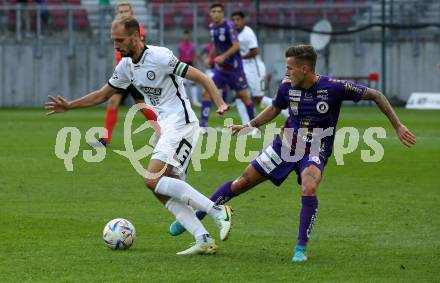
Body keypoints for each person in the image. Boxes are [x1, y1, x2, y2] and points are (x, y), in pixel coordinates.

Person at [169, 44, 417, 262]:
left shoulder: (334, 88)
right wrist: (250, 125)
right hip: (285, 145)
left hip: (316, 148)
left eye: (290, 67)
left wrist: (397, 125)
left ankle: (300, 248)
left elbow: (376, 94)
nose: (285, 72)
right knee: (241, 183)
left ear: (305, 70)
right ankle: (195, 216)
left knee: (309, 187)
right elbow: (275, 109)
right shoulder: (287, 87)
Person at [45, 16, 233, 255]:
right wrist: (70, 105)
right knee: (161, 190)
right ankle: (202, 238)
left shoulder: (160, 56)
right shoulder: (126, 66)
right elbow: (102, 94)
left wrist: (219, 103)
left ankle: (217, 211)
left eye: (120, 40)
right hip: (168, 127)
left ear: (135, 35)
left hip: (182, 124)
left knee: (151, 179)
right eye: (114, 40)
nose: (116, 45)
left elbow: (202, 77)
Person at [92, 2, 159, 147]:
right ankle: (106, 140)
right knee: (113, 102)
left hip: (134, 73)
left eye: (126, 11)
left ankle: (163, 132)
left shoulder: (137, 30)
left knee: (141, 105)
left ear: (131, 12)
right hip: (123, 74)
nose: (123, 13)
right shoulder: (118, 29)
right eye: (120, 11)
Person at [200, 2, 254, 131]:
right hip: (220, 70)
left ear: (223, 13)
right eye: (213, 11)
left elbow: (236, 45)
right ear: (210, 14)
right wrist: (209, 57)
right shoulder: (212, 27)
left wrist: (223, 56)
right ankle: (203, 127)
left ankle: (254, 125)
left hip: (234, 69)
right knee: (206, 92)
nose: (216, 14)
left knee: (244, 96)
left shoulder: (229, 26)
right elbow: (215, 45)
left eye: (219, 11)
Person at [231, 11, 289, 120]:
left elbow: (254, 51)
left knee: (258, 98)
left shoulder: (248, 33)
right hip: (242, 68)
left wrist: (240, 58)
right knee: (240, 95)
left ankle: (286, 111)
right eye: (233, 20)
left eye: (238, 19)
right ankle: (247, 126)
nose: (235, 22)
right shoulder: (233, 34)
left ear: (243, 20)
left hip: (254, 68)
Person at [178, 30, 200, 107]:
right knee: (183, 84)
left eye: (187, 35)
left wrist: (194, 66)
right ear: (183, 36)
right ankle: (184, 100)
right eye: (185, 35)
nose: (186, 37)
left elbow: (194, 56)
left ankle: (195, 101)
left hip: (190, 66)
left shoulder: (192, 46)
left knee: (193, 84)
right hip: (183, 66)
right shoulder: (180, 46)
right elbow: (179, 56)